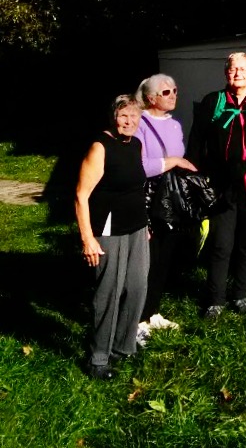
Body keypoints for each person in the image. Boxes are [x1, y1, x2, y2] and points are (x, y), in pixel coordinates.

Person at [187, 52, 246, 318]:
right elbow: (196, 141)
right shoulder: (212, 101)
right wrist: (194, 178)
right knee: (221, 244)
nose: (237, 73)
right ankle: (215, 299)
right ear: (226, 72)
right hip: (220, 185)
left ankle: (241, 295)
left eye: (243, 69)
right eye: (232, 69)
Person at [75, 95, 149, 379]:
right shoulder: (100, 147)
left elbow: (136, 187)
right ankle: (99, 358)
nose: (129, 121)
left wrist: (146, 225)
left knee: (137, 286)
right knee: (109, 291)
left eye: (134, 116)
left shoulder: (136, 144)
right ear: (113, 117)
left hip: (137, 226)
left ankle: (123, 345)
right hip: (108, 228)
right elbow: (81, 196)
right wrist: (88, 238)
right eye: (123, 116)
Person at [133, 74, 197, 346]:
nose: (173, 95)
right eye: (166, 92)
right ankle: (136, 319)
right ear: (150, 98)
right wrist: (173, 161)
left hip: (170, 200)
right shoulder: (139, 124)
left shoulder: (174, 124)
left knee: (164, 258)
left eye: (175, 90)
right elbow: (140, 166)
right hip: (148, 200)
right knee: (146, 261)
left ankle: (152, 312)